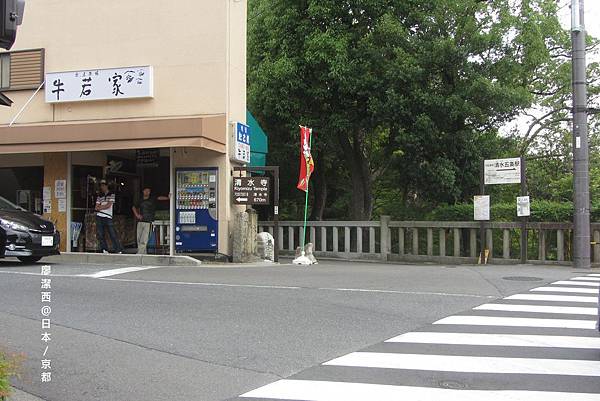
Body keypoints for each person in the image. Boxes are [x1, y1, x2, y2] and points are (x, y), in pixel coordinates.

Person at [132, 187, 169, 254]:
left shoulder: (152, 199)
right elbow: (133, 207)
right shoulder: (140, 200)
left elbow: (159, 198)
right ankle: (143, 253)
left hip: (148, 222)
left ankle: (140, 253)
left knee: (144, 239)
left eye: (148, 191)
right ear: (143, 191)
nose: (147, 192)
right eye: (146, 191)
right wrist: (137, 215)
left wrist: (168, 197)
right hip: (140, 221)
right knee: (139, 239)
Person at [95, 179, 123, 254]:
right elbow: (96, 207)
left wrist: (100, 207)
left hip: (108, 216)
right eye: (101, 186)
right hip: (99, 216)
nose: (102, 187)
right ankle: (104, 249)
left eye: (104, 185)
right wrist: (101, 207)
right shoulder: (99, 196)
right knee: (101, 234)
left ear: (107, 186)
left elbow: (109, 205)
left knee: (112, 233)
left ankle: (118, 249)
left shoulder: (112, 194)